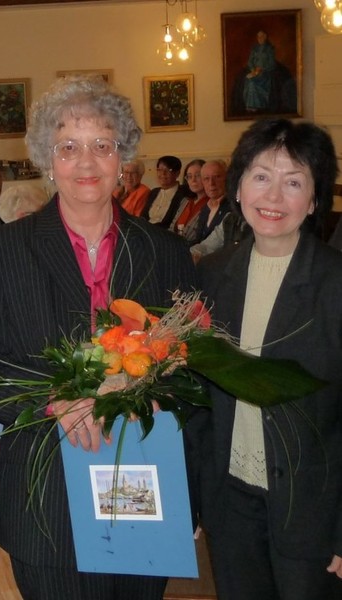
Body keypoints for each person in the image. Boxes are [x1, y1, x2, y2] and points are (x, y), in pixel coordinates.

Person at [0, 75, 196, 600]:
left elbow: (193, 367)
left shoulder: (165, 252)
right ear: (47, 160)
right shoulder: (1, 251)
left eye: (102, 145)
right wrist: (55, 402)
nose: (86, 162)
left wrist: (158, 399)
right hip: (46, 494)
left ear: (123, 157)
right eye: (68, 147)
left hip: (143, 481)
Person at [191, 118, 342, 600]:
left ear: (314, 199)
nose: (273, 196)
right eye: (261, 176)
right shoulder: (212, 276)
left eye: (294, 182)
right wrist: (193, 498)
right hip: (230, 501)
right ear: (238, 188)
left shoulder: (335, 283)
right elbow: (199, 401)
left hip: (313, 510)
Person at [141, 155, 190, 227]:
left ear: (177, 173)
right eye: (159, 170)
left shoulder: (184, 194)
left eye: (168, 170)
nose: (163, 173)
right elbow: (143, 216)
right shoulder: (154, 192)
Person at [168, 158, 208, 242]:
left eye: (198, 175)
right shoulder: (185, 201)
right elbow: (172, 227)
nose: (193, 180)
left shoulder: (211, 204)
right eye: (189, 176)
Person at [194, 160, 229, 243]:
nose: (211, 183)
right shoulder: (205, 208)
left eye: (217, 177)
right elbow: (198, 240)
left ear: (227, 179)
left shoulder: (234, 207)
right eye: (206, 178)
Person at [243, 29, 276, 113]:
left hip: (265, 73)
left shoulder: (269, 48)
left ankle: (255, 105)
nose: (259, 38)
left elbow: (272, 64)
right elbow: (250, 61)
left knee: (252, 83)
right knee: (248, 80)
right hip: (255, 72)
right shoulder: (255, 48)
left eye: (261, 36)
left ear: (265, 37)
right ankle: (249, 105)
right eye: (258, 37)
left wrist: (262, 68)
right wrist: (253, 69)